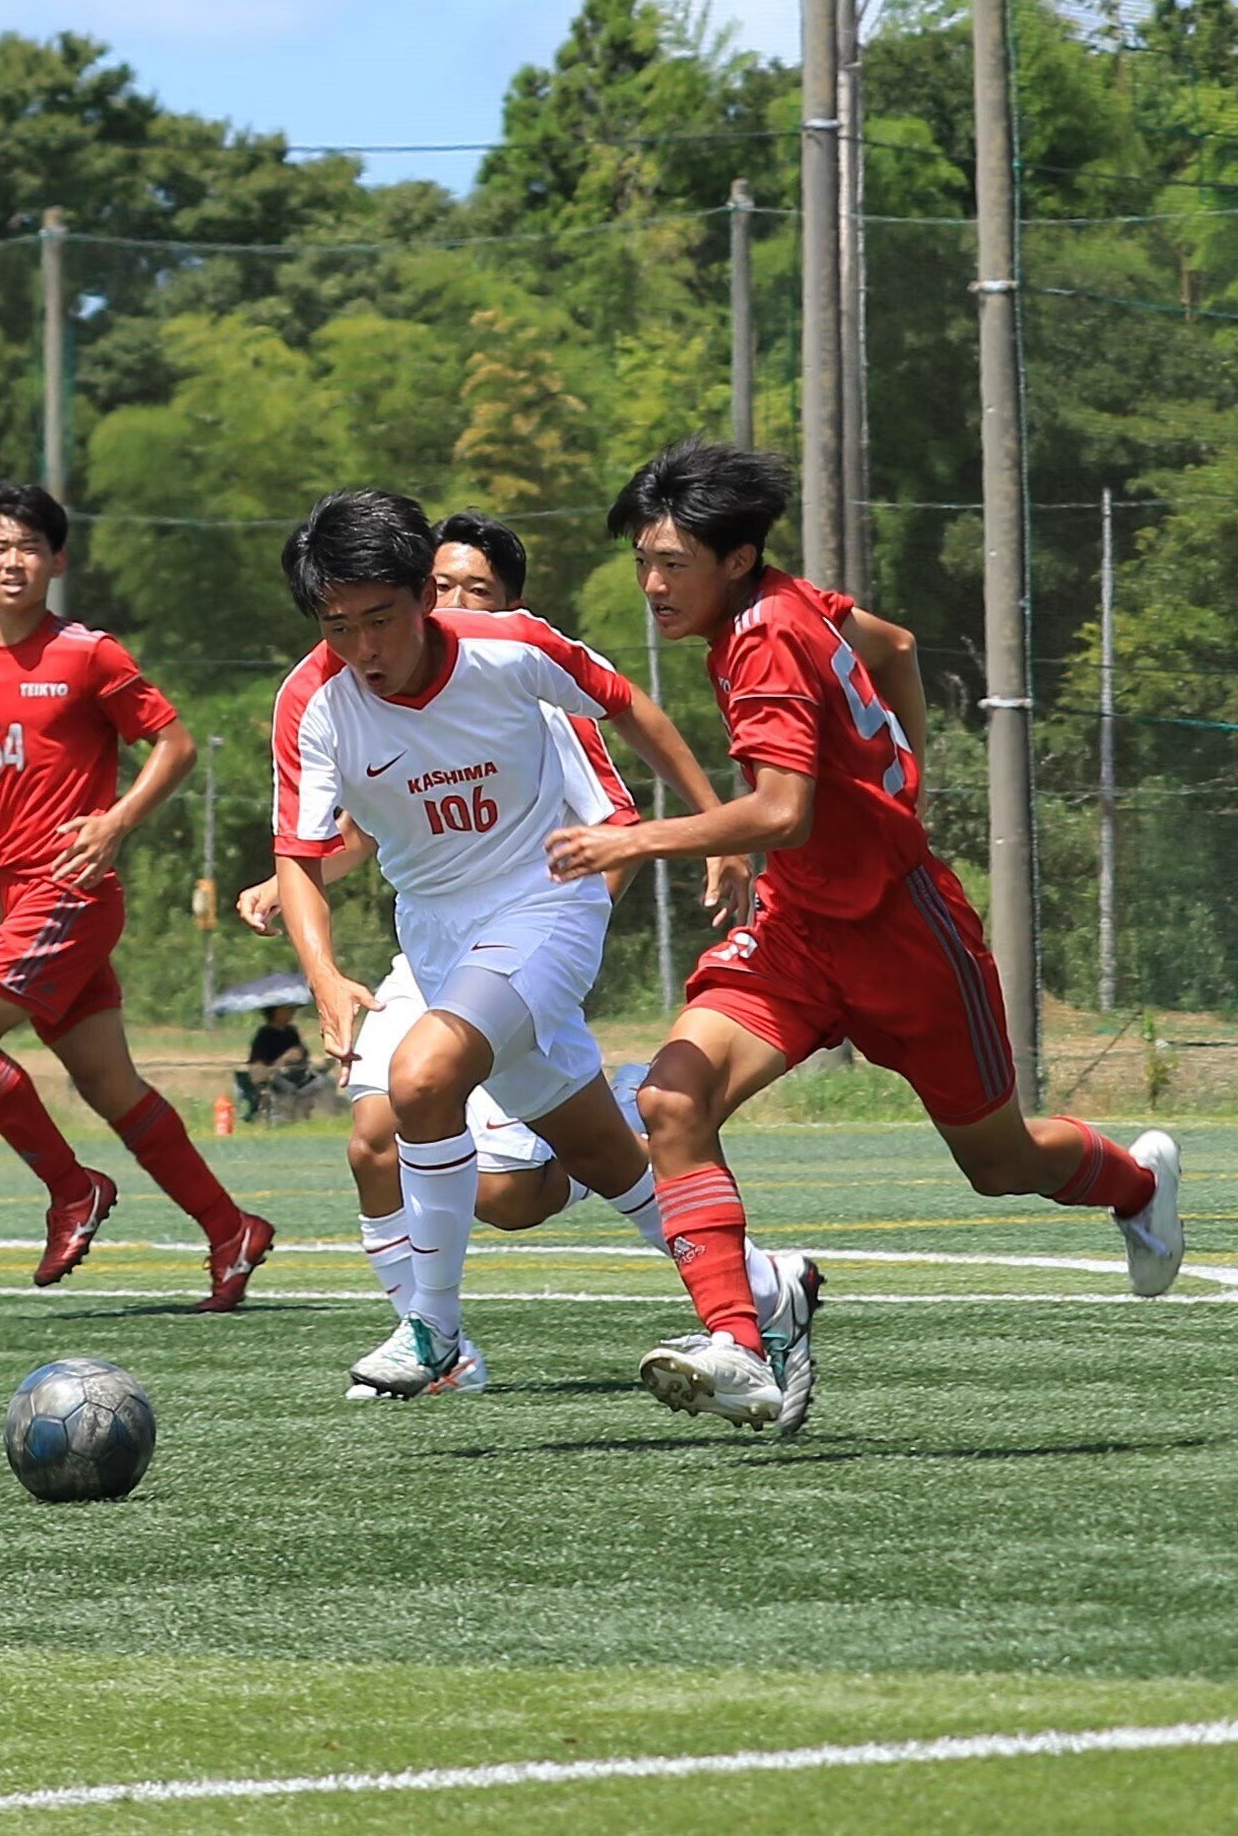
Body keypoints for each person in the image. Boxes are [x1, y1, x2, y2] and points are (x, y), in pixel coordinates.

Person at [547, 437, 1182, 1431]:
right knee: (671, 1096)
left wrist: (639, 834)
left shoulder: (761, 636)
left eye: (671, 563)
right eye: (642, 559)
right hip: (799, 929)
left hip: (905, 938)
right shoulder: (798, 601)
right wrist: (900, 780)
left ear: (738, 557)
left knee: (998, 1162)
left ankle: (1137, 1178)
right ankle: (740, 1341)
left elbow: (780, 811)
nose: (651, 583)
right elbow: (893, 648)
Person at [238, 506, 812, 1399]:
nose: (362, 646)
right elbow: (302, 857)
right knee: (599, 1158)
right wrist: (326, 979)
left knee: (423, 1082)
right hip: (434, 936)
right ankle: (769, 1292)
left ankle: (433, 1334)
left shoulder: (508, 647)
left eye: (380, 618)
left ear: (423, 597)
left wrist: (714, 832)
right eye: (335, 624)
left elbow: (631, 709)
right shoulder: (312, 702)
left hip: (548, 902)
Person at [0, 481, 274, 1307]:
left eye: (30, 547)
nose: (14, 560)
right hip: (23, 899)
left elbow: (174, 747)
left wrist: (114, 822)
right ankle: (229, 1229)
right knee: (111, 1087)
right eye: (0, 546)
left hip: (70, 891)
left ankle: (72, 1188)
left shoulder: (88, 654)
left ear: (56, 562)